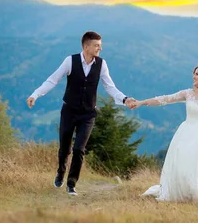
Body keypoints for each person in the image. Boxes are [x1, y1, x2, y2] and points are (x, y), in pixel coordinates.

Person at [26, 31, 135, 196]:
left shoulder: (101, 64)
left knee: (79, 149)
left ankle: (71, 183)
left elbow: (109, 87)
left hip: (88, 114)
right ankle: (61, 172)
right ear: (86, 46)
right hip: (69, 111)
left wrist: (124, 98)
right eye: (97, 45)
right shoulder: (70, 61)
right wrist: (35, 94)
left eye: (100, 45)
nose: (100, 48)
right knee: (65, 148)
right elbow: (52, 80)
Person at [129, 65, 198, 210]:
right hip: (187, 134)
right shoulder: (188, 94)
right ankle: (186, 193)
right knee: (186, 164)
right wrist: (141, 102)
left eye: (197, 74)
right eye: (193, 74)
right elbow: (166, 99)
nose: (193, 76)